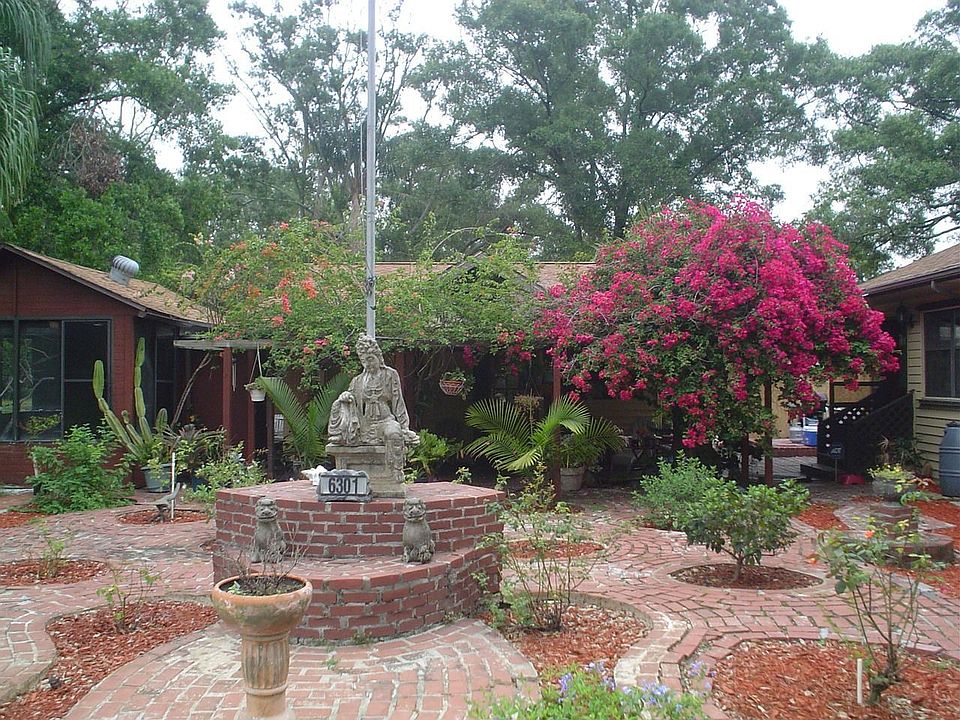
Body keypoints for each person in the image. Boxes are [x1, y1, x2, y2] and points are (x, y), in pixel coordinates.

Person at [328, 336, 419, 469]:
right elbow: (350, 399)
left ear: (378, 357)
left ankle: (394, 472)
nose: (368, 364)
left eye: (370, 359)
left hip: (385, 421)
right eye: (364, 361)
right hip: (365, 425)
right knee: (341, 412)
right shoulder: (358, 381)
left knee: (394, 434)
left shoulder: (390, 375)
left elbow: (398, 403)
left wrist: (404, 428)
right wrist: (345, 396)